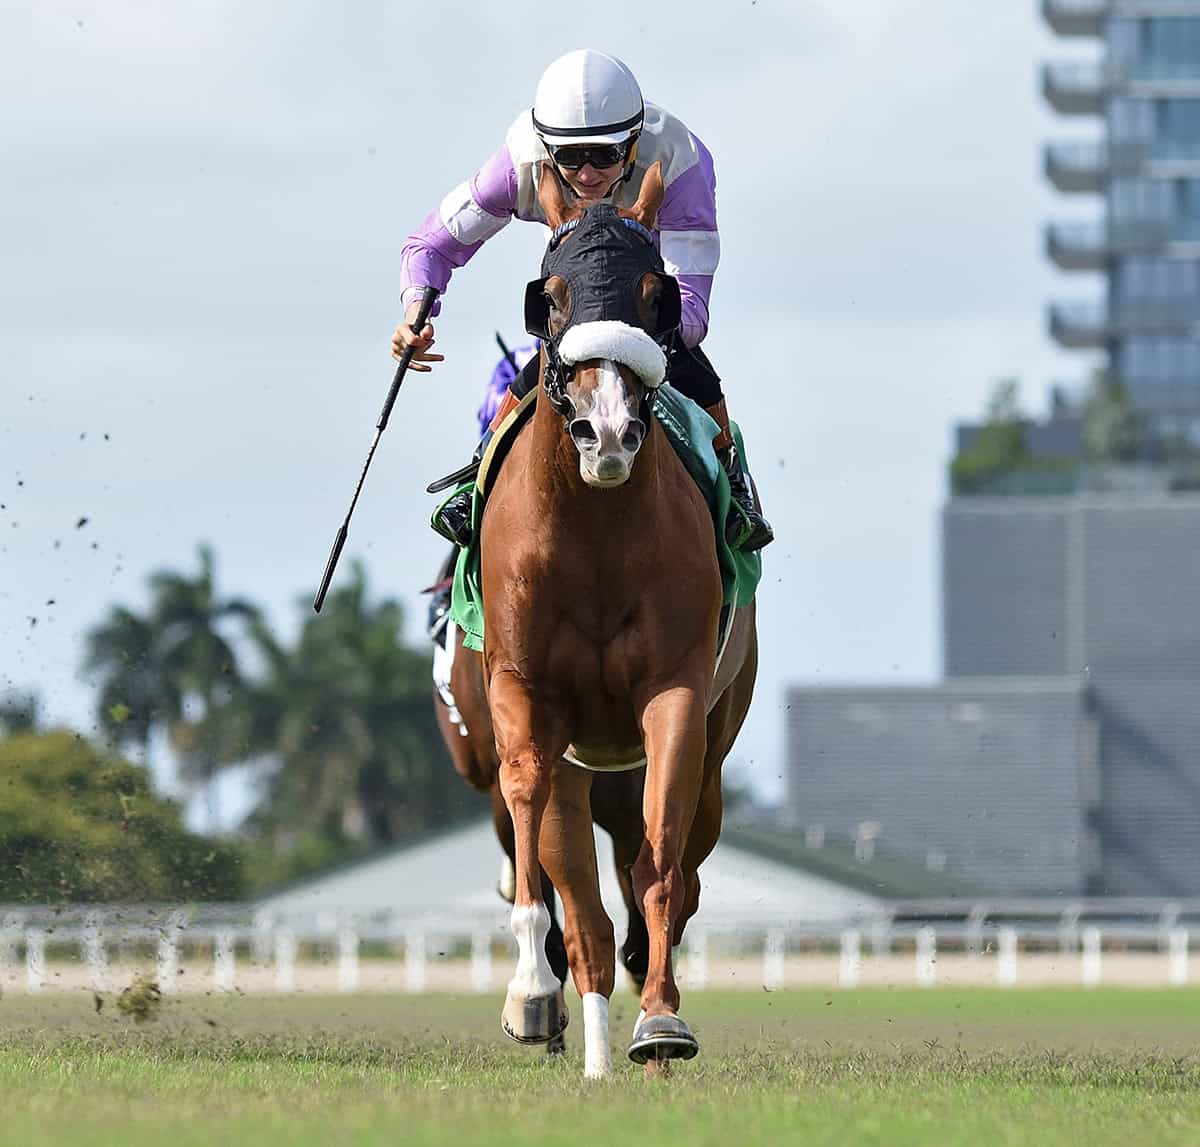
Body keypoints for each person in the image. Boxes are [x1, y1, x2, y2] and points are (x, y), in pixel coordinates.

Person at [393, 48, 773, 553]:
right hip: (576, 284)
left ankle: (733, 481)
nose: (589, 174)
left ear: (634, 144)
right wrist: (416, 313)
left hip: (647, 292)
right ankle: (479, 478)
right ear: (548, 148)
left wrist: (619, 335)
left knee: (692, 363)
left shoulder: (682, 167)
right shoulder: (516, 165)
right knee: (541, 367)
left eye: (606, 155)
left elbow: (693, 317)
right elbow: (430, 246)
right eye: (571, 158)